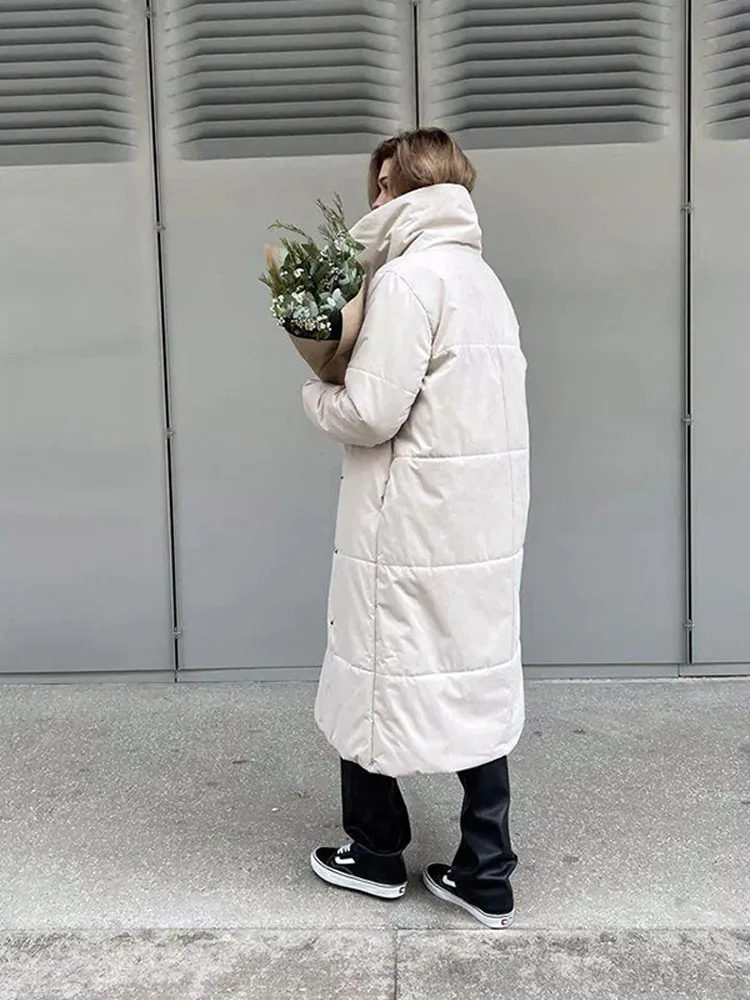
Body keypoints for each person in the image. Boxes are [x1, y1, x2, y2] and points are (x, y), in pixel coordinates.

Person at [302, 128, 530, 930]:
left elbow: (370, 413)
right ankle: (487, 869)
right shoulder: (482, 280)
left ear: (403, 187)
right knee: (473, 672)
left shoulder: (406, 281)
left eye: (380, 185)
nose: (373, 200)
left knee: (372, 667)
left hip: (408, 522)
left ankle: (373, 853)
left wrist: (315, 394)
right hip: (477, 521)